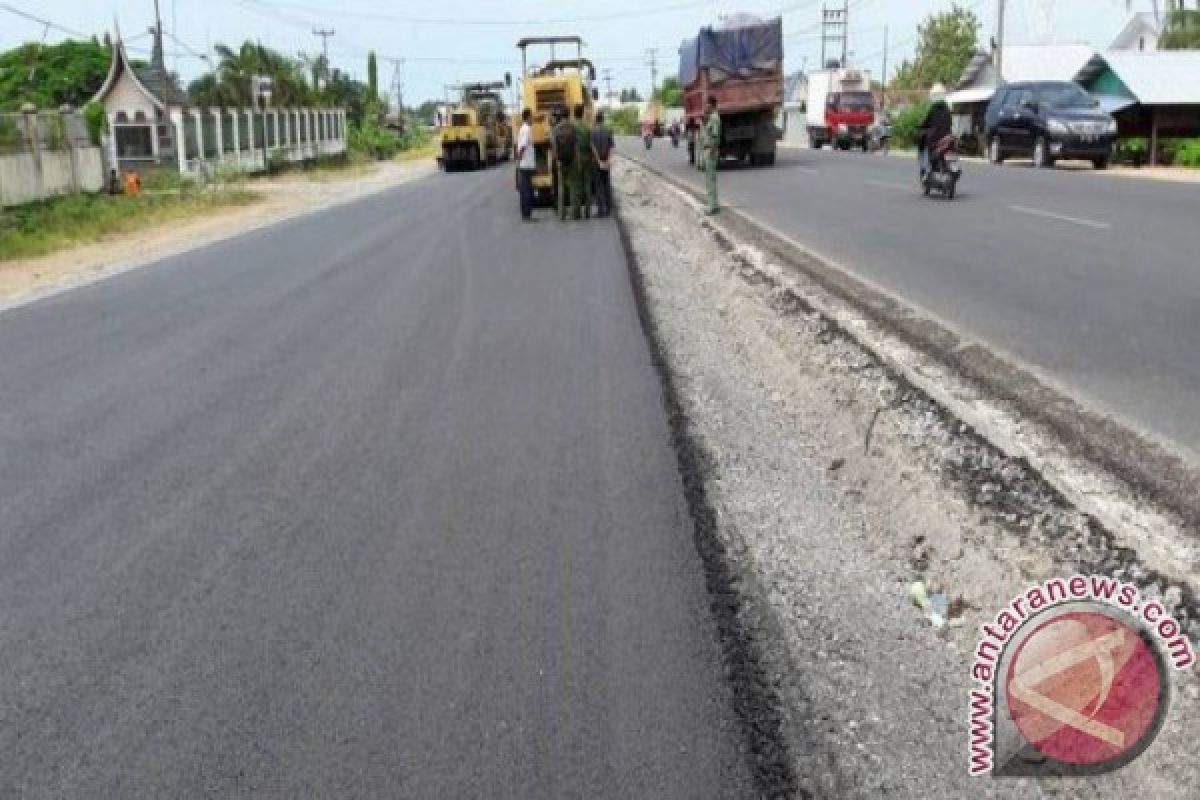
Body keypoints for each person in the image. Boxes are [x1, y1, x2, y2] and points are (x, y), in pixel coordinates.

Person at [919, 83, 953, 178]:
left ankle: (931, 169)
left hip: (936, 137)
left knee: (929, 149)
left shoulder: (933, 109)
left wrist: (921, 128)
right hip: (948, 136)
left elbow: (926, 121)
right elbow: (950, 123)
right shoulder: (947, 108)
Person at [550, 108, 578, 221]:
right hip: (571, 159)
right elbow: (576, 146)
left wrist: (557, 160)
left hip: (561, 160)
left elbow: (554, 147)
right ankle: (573, 213)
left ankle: (562, 214)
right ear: (569, 114)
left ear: (561, 116)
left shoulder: (556, 129)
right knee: (572, 186)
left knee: (561, 187)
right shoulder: (573, 127)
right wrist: (577, 159)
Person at [591, 110, 615, 217]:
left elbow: (593, 148)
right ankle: (608, 209)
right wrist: (609, 160)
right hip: (606, 159)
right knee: (606, 184)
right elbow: (611, 147)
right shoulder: (608, 130)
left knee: (598, 185)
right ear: (603, 119)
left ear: (596, 119)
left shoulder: (592, 131)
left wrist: (599, 161)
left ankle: (600, 210)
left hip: (597, 162)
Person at [515, 108, 537, 222]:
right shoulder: (526, 129)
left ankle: (526, 214)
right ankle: (526, 215)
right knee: (526, 191)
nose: (532, 118)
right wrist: (519, 162)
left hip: (526, 164)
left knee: (526, 190)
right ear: (527, 117)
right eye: (531, 116)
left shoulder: (525, 129)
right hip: (525, 165)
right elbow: (522, 147)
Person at [572, 104, 592, 220]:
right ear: (582, 113)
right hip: (587, 157)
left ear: (574, 113)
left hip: (577, 158)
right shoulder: (587, 126)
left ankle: (577, 212)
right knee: (587, 184)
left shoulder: (573, 127)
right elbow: (590, 143)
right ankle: (587, 212)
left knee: (577, 185)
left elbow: (573, 144)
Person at [701, 96, 721, 215]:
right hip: (709, 150)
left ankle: (712, 206)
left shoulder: (714, 118)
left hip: (711, 151)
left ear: (710, 105)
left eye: (706, 104)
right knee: (710, 179)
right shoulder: (711, 118)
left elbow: (714, 136)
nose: (705, 107)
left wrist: (713, 151)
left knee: (710, 180)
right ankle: (714, 203)